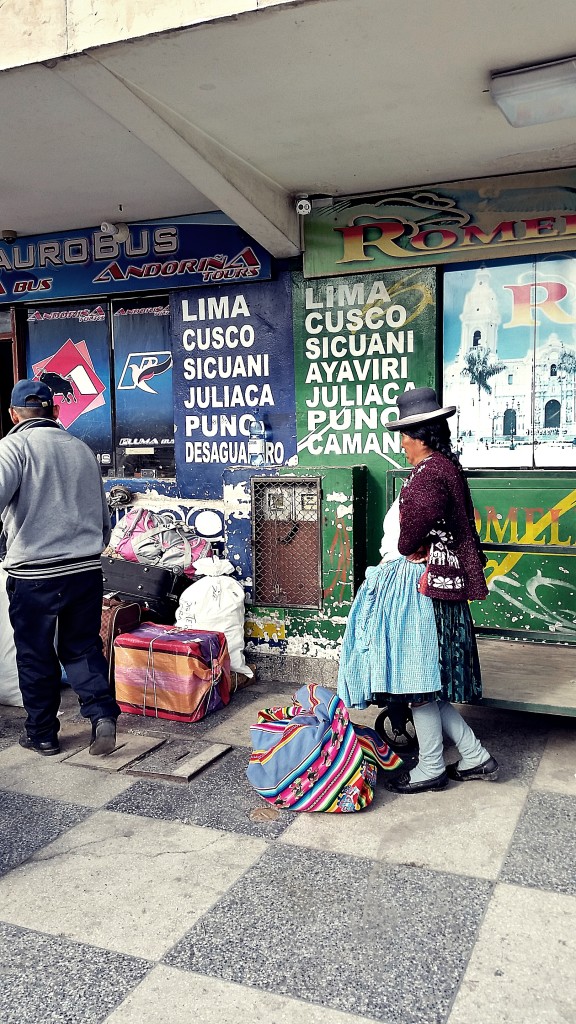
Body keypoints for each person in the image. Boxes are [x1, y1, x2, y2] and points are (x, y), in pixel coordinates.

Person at [338, 387, 498, 794]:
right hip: (438, 588)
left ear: (422, 435)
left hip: (420, 589)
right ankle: (475, 755)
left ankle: (430, 768)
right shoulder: (447, 468)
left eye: (405, 436)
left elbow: (409, 537)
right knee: (427, 682)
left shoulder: (429, 475)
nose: (402, 444)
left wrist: (416, 545)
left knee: (418, 683)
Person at [0, 379, 120, 756]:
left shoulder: (13, 446)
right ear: (55, 411)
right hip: (85, 571)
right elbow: (105, 523)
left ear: (13, 414)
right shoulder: (81, 449)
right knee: (82, 646)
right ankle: (102, 715)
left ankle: (42, 734)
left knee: (36, 653)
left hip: (35, 575)